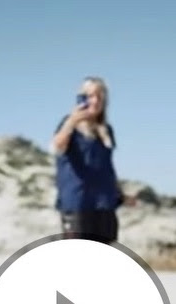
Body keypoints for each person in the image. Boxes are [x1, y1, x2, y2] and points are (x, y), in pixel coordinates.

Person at [50, 76, 129, 243]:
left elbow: (106, 166)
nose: (96, 101)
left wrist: (120, 194)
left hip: (104, 205)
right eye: (91, 96)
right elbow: (57, 147)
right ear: (82, 98)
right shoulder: (69, 124)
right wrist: (72, 121)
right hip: (78, 204)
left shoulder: (106, 130)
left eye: (100, 97)